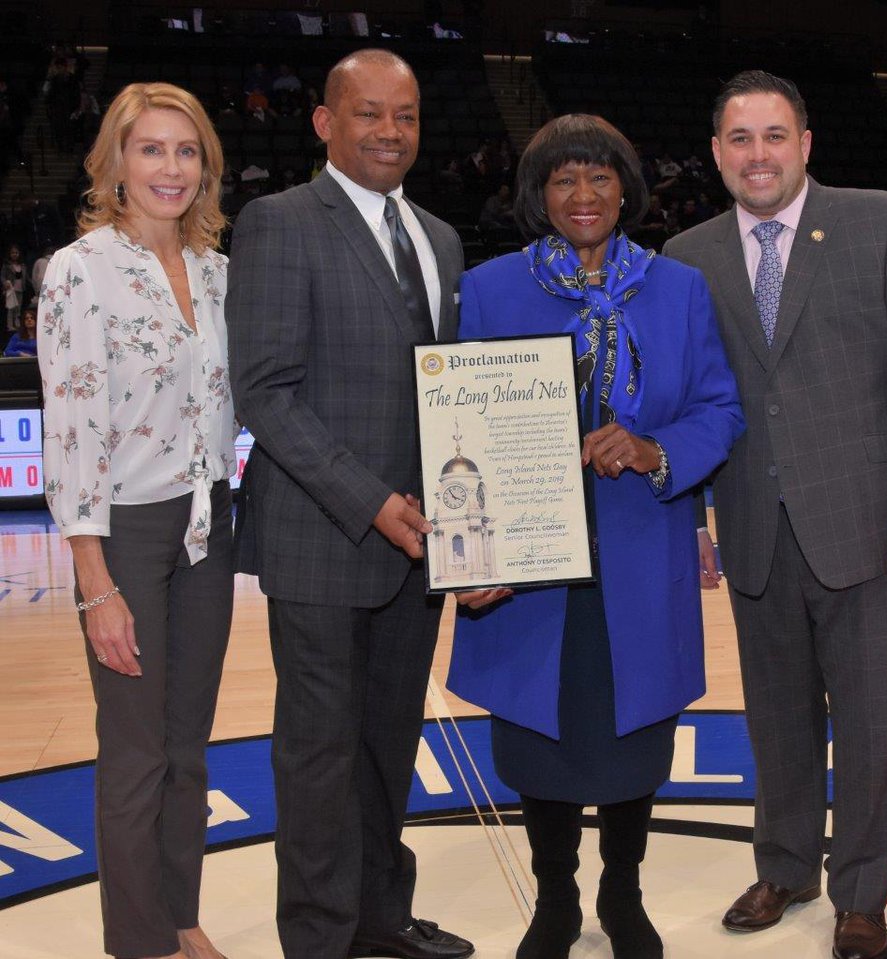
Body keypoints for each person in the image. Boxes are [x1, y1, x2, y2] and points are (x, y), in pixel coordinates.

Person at [664, 70, 887, 959]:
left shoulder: (881, 220)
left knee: (874, 718)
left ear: (805, 143)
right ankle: (786, 862)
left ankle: (863, 893)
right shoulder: (690, 252)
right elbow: (682, 400)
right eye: (739, 139)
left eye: (774, 135)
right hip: (753, 524)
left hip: (874, 522)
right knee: (777, 716)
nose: (758, 154)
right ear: (718, 153)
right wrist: (689, 522)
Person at [448, 113, 744, 959]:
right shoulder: (492, 288)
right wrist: (472, 550)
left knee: (631, 739)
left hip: (640, 545)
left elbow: (720, 409)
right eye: (564, 179)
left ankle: (622, 890)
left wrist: (655, 448)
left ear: (628, 190)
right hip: (528, 559)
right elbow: (456, 425)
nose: (584, 195)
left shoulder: (679, 287)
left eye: (601, 177)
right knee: (540, 735)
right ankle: (555, 899)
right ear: (539, 195)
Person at [226, 49, 471, 959]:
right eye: (368, 113)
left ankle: (379, 912)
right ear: (325, 122)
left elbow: (450, 399)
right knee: (319, 755)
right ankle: (320, 937)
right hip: (324, 538)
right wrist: (371, 503)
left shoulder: (441, 238)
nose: (389, 132)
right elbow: (266, 391)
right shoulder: (280, 222)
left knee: (385, 743)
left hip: (420, 550)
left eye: (404, 116)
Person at [37, 81, 235, 959]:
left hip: (208, 524)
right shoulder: (80, 269)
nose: (171, 167)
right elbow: (72, 430)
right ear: (115, 162)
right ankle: (141, 943)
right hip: (125, 532)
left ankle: (182, 915)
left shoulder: (218, 271)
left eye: (186, 151)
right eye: (151, 149)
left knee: (188, 747)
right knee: (134, 755)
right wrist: (94, 584)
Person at [2, 242, 25, 329]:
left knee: (18, 308)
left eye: (16, 253)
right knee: (11, 307)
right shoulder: (7, 265)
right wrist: (5, 283)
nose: (14, 254)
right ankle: (10, 325)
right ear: (9, 254)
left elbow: (26, 277)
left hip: (20, 288)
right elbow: (2, 276)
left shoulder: (22, 265)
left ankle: (17, 323)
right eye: (12, 253)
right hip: (11, 289)